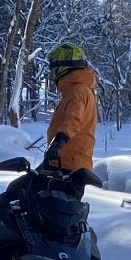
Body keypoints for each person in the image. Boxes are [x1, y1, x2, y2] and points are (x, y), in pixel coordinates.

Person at [44, 42, 97, 176]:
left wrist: (59, 141)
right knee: (23, 188)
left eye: (54, 69)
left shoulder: (78, 91)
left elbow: (73, 120)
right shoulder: (75, 90)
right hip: (61, 161)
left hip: (68, 165)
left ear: (62, 67)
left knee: (24, 190)